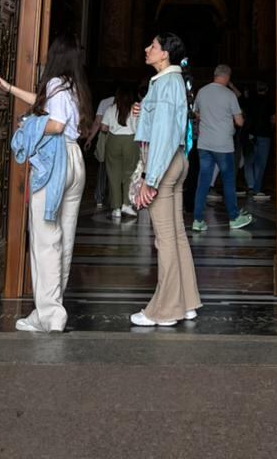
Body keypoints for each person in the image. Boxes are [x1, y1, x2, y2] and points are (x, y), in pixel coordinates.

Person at [0, 33, 90, 333]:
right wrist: (10, 88)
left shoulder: (55, 83)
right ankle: (52, 307)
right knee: (64, 238)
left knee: (46, 239)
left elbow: (56, 123)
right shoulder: (73, 87)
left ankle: (48, 313)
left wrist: (29, 124)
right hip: (75, 161)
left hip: (55, 161)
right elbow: (47, 105)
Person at [130, 34, 201, 327]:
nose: (147, 49)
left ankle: (165, 309)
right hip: (177, 160)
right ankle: (186, 303)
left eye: (154, 46)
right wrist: (140, 111)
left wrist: (150, 178)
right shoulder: (172, 82)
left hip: (163, 163)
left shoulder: (165, 83)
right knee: (177, 236)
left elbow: (161, 135)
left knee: (165, 239)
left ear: (165, 55)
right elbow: (163, 124)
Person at [191, 65, 252, 231]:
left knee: (203, 182)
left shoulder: (202, 91)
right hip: (223, 145)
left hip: (204, 144)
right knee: (228, 181)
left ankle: (197, 220)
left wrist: (209, 119)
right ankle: (233, 217)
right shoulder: (229, 95)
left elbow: (196, 113)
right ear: (227, 77)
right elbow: (239, 121)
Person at [102, 85, 139, 220]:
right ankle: (126, 204)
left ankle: (116, 208)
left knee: (114, 174)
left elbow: (103, 127)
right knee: (129, 173)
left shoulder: (110, 109)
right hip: (131, 140)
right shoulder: (135, 108)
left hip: (113, 141)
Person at [243, 80, 274, 201]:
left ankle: (250, 185)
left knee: (249, 161)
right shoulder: (269, 102)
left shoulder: (250, 101)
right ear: (266, 89)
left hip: (251, 134)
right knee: (261, 163)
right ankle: (257, 188)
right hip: (265, 134)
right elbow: (273, 119)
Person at [86, 90, 114, 207]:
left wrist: (89, 139)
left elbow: (97, 123)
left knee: (102, 168)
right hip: (124, 137)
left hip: (105, 138)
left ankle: (99, 198)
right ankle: (117, 201)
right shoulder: (130, 102)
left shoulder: (105, 102)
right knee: (119, 170)